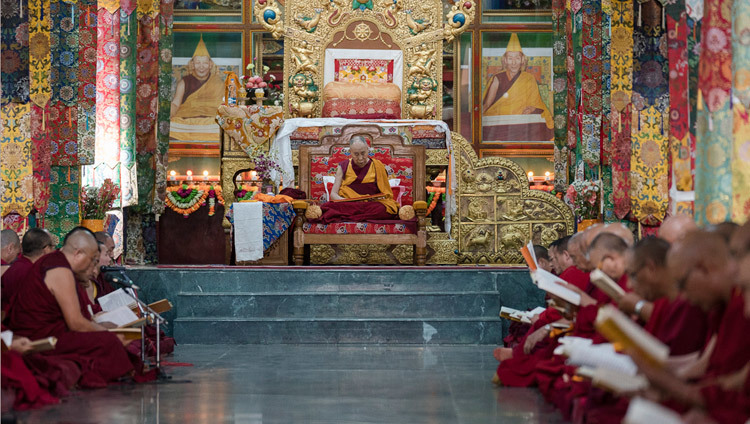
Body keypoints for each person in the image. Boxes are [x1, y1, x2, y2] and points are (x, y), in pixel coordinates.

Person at [7, 227, 135, 388]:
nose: (92, 267)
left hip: (50, 331)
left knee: (111, 338)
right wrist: (107, 332)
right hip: (40, 339)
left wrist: (99, 326)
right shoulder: (60, 269)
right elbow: (75, 323)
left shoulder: (57, 264)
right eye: (91, 260)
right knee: (110, 341)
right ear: (78, 253)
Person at [482, 33, 553, 142]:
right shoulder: (497, 78)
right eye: (510, 58)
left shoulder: (529, 78)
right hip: (500, 116)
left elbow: (536, 102)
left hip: (521, 117)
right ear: (505, 60)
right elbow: (487, 104)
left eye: (517, 58)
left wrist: (533, 108)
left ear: (522, 60)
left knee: (537, 127)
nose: (514, 63)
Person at [316, 135, 399, 223]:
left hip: (370, 204)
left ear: (368, 149)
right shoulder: (343, 166)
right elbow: (333, 194)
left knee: (384, 209)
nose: (360, 158)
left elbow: (386, 194)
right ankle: (358, 215)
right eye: (356, 154)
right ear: (350, 152)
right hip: (350, 204)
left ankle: (348, 216)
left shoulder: (378, 166)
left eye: (363, 153)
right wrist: (346, 201)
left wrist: (376, 198)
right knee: (328, 207)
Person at [170, 35, 226, 142]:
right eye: (198, 63)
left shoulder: (218, 82)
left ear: (210, 65)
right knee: (171, 125)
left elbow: (222, 104)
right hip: (187, 119)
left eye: (205, 63)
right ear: (192, 65)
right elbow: (176, 103)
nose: (201, 66)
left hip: (210, 120)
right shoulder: (184, 82)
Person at [2, 228, 56, 313]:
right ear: (46, 249)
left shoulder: (14, 268)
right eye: (52, 247)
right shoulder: (32, 274)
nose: (54, 251)